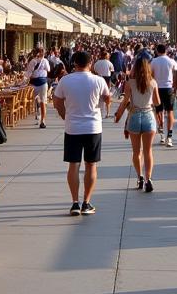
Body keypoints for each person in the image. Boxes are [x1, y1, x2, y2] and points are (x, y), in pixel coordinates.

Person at [53, 50, 110, 215]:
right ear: (90, 63)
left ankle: (74, 202)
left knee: (73, 165)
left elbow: (57, 100)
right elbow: (107, 97)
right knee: (91, 165)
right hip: (93, 127)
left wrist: (64, 114)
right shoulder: (98, 80)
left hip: (73, 127)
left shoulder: (65, 80)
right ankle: (86, 202)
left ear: (74, 63)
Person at [113, 55, 160, 191]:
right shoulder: (153, 82)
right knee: (148, 151)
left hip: (134, 115)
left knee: (136, 151)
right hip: (148, 115)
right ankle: (148, 178)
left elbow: (125, 101)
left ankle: (139, 177)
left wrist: (118, 114)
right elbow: (157, 102)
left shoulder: (130, 83)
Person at [149, 43, 177, 146]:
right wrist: (175, 87)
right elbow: (175, 75)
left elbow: (151, 76)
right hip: (168, 88)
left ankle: (161, 133)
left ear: (157, 51)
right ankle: (169, 136)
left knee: (158, 111)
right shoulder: (172, 61)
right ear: (166, 51)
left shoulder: (153, 61)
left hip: (157, 88)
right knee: (170, 112)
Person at [23, 47, 51, 129]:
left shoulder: (34, 61)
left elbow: (28, 72)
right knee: (40, 101)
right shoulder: (41, 61)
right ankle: (41, 119)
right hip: (40, 82)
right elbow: (48, 69)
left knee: (39, 101)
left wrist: (24, 79)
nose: (43, 53)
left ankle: (41, 119)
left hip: (36, 82)